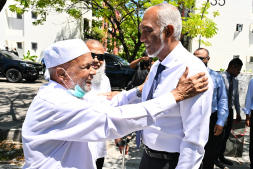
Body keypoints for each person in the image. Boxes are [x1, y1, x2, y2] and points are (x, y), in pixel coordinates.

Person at [22, 39, 209, 169]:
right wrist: (175, 95)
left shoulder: (67, 94)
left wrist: (138, 91)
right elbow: (113, 119)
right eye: (85, 67)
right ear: (62, 74)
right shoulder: (56, 103)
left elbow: (106, 103)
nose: (93, 71)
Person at [137, 3, 213, 169]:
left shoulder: (193, 72)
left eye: (147, 31)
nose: (142, 38)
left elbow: (194, 140)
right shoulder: (157, 66)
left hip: (173, 163)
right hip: (148, 158)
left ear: (168, 31)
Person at [84, 39, 128, 169]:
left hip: (98, 144)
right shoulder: (74, 79)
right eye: (92, 55)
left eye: (101, 56)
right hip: (79, 145)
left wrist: (118, 138)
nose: (97, 60)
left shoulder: (104, 80)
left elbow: (109, 110)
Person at [194, 48, 228, 169]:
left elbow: (223, 100)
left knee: (210, 153)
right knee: (191, 153)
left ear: (208, 59)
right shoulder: (186, 75)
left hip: (211, 120)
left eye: (201, 58)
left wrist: (220, 121)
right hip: (192, 119)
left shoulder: (216, 77)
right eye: (195, 57)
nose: (197, 60)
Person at [215, 58, 243, 168]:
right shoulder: (219, 78)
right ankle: (215, 157)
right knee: (218, 135)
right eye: (238, 70)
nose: (239, 73)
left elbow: (235, 97)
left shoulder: (235, 81)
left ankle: (221, 155)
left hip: (229, 111)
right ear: (232, 67)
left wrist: (238, 112)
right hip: (219, 111)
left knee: (226, 135)